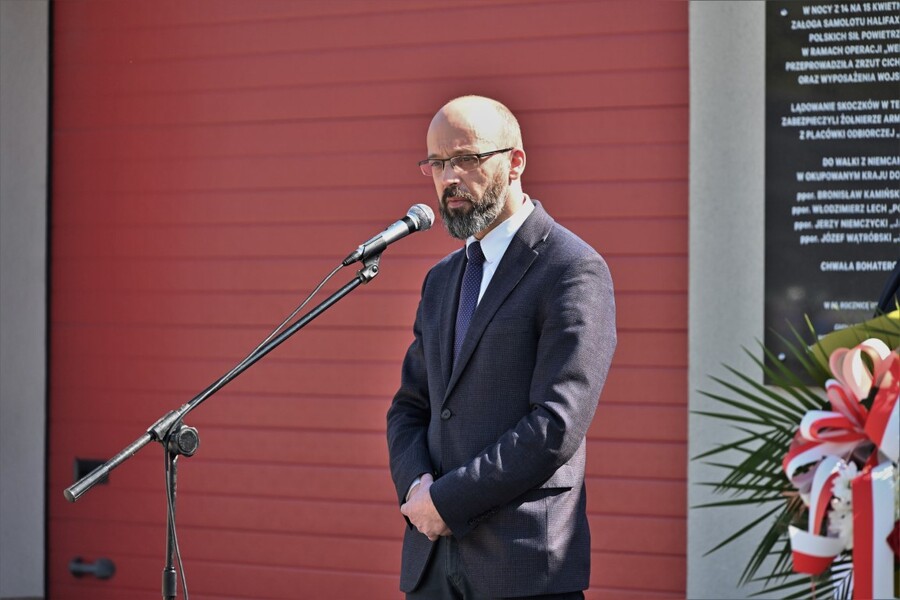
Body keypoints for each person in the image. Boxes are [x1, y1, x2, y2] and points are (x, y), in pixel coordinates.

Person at [386, 95, 617, 599]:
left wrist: (448, 502)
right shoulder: (441, 280)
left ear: (515, 162)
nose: (449, 177)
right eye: (437, 163)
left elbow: (555, 424)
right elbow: (410, 407)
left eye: (466, 158)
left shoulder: (571, 269)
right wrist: (416, 489)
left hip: (522, 566)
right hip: (431, 564)